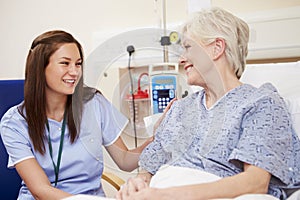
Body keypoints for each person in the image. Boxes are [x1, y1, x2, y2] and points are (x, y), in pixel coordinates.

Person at [116, 7, 300, 200]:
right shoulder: (179, 109)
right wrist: (137, 185)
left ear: (217, 48)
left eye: (188, 48)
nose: (181, 59)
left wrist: (165, 195)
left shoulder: (262, 104)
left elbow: (255, 183)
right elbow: (148, 170)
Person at [0, 30, 153, 199]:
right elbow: (40, 190)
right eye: (65, 63)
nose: (74, 72)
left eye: (78, 64)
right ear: (40, 68)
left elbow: (125, 160)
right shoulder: (14, 122)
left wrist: (160, 136)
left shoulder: (94, 103)